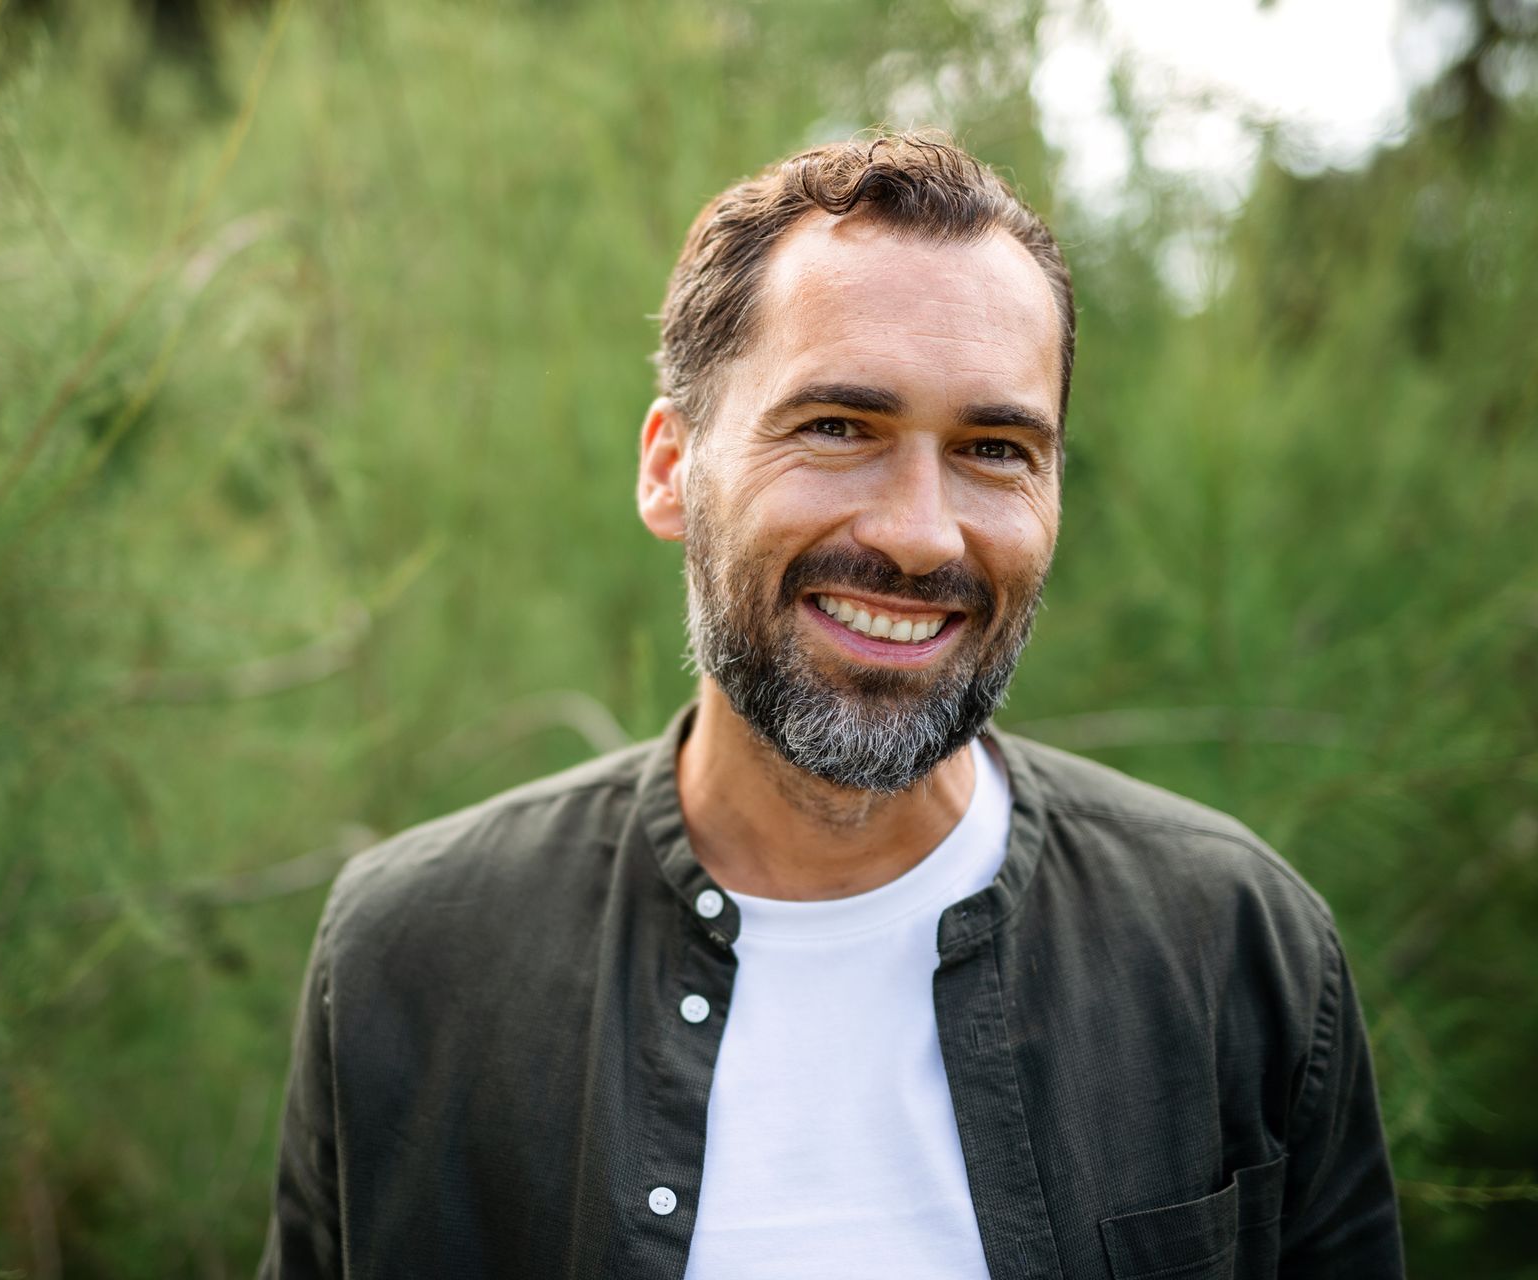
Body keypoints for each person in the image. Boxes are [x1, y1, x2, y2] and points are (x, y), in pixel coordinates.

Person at [257, 132, 1404, 1280]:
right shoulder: (411, 959)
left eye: (994, 448)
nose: (918, 531)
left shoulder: (1237, 948)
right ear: (670, 468)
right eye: (838, 427)